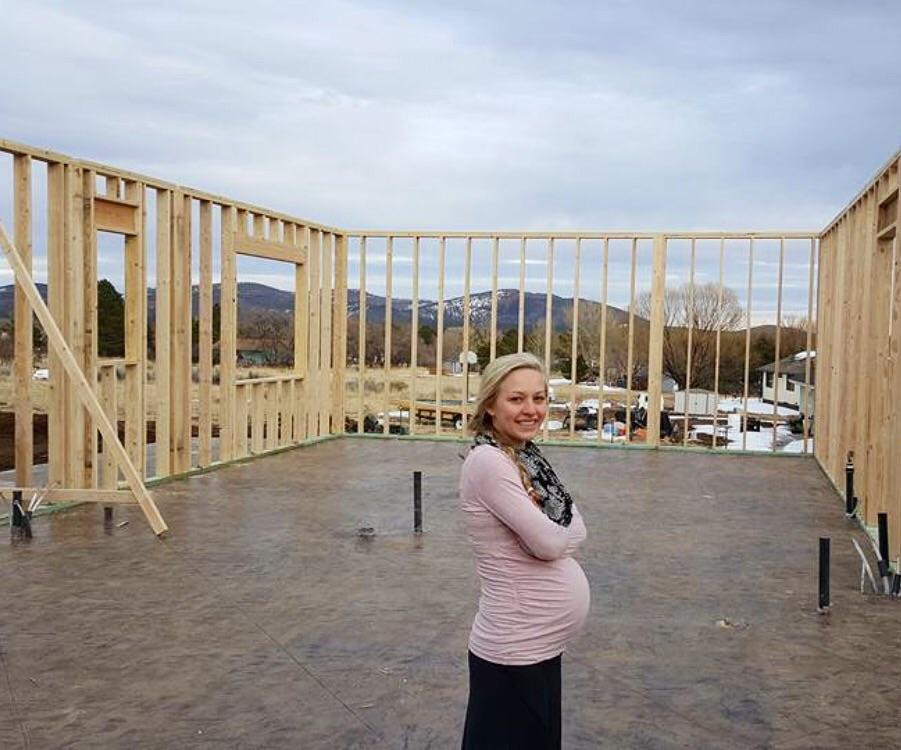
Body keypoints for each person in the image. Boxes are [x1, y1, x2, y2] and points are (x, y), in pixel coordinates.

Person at [460, 352, 590, 749]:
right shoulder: (489, 462)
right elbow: (552, 542)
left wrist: (556, 531)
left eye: (539, 398)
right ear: (490, 405)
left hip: (538, 648)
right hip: (513, 651)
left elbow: (577, 527)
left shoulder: (527, 457)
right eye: (516, 399)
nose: (531, 410)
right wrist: (556, 532)